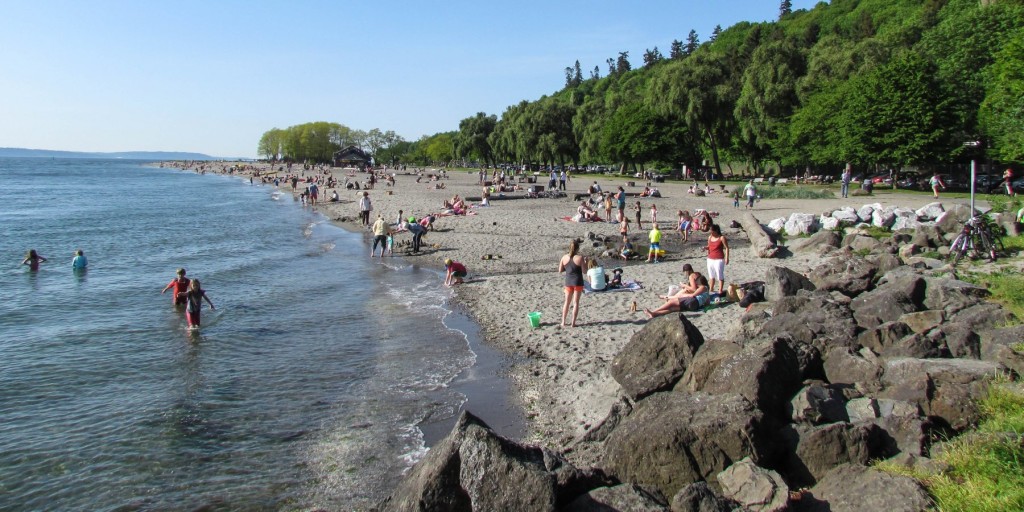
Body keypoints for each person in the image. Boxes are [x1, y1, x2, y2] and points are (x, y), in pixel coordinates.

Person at [644, 268, 710, 318]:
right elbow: (707, 303)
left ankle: (654, 311)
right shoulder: (707, 291)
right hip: (694, 306)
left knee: (671, 302)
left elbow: (692, 295)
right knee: (672, 309)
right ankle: (654, 314)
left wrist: (684, 295)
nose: (697, 285)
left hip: (692, 301)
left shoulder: (703, 287)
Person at [558, 240, 585, 327]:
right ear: (578, 248)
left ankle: (563, 322)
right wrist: (586, 262)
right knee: (576, 302)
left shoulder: (564, 257)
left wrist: (568, 268)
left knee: (567, 302)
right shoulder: (580, 258)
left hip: (568, 281)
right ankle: (573, 323)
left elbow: (560, 270)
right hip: (578, 282)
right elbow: (584, 271)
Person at [706, 224, 729, 294]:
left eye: (712, 231)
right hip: (710, 258)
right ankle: (711, 289)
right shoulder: (710, 237)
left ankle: (720, 290)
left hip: (719, 259)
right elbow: (709, 246)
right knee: (711, 275)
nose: (711, 232)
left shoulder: (721, 238)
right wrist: (705, 248)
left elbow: (727, 248)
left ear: (716, 230)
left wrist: (727, 258)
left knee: (719, 274)